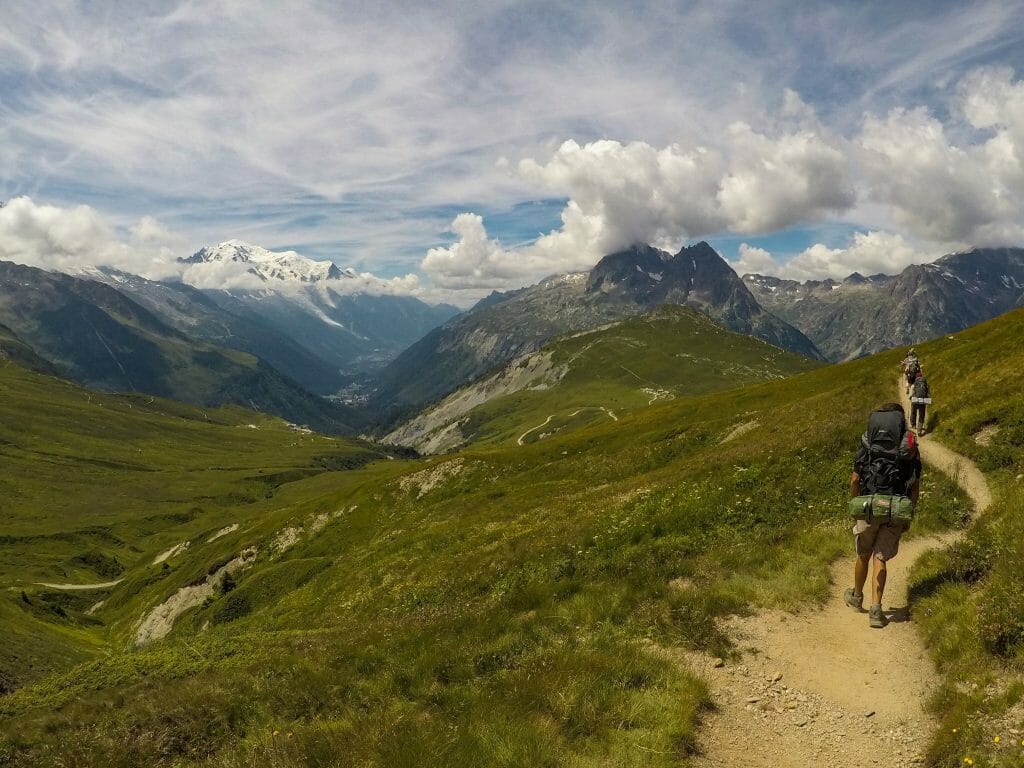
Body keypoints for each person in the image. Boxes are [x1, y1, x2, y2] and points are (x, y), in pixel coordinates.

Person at [844, 403, 922, 628]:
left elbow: (855, 479)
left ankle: (856, 596)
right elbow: (914, 486)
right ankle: (876, 610)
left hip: (868, 506)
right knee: (880, 558)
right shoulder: (908, 447)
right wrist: (908, 513)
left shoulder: (868, 443)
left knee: (863, 554)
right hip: (895, 509)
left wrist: (855, 505)